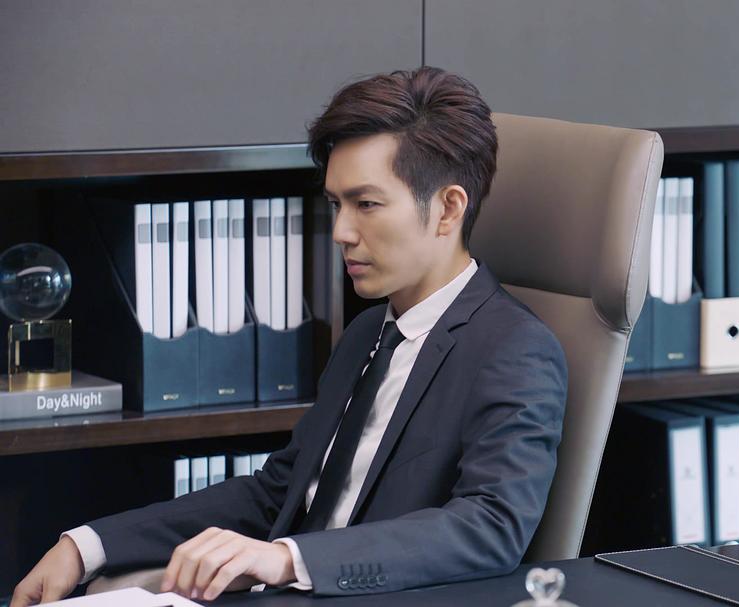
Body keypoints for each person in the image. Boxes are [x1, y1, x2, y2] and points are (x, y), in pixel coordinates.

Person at [12, 66, 568, 605]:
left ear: (448, 208)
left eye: (367, 204)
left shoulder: (514, 348)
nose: (342, 232)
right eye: (336, 205)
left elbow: (491, 525)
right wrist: (87, 545)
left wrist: (286, 559)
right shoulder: (369, 332)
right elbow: (278, 491)